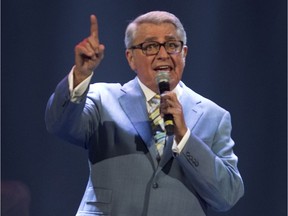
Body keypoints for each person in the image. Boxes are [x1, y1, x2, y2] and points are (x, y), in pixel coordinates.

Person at [45, 11, 244, 216]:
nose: (163, 54)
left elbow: (227, 194)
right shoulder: (103, 99)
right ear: (130, 58)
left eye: (171, 45)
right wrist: (80, 74)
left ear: (184, 53)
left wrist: (184, 137)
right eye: (150, 47)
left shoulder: (214, 115)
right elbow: (59, 123)